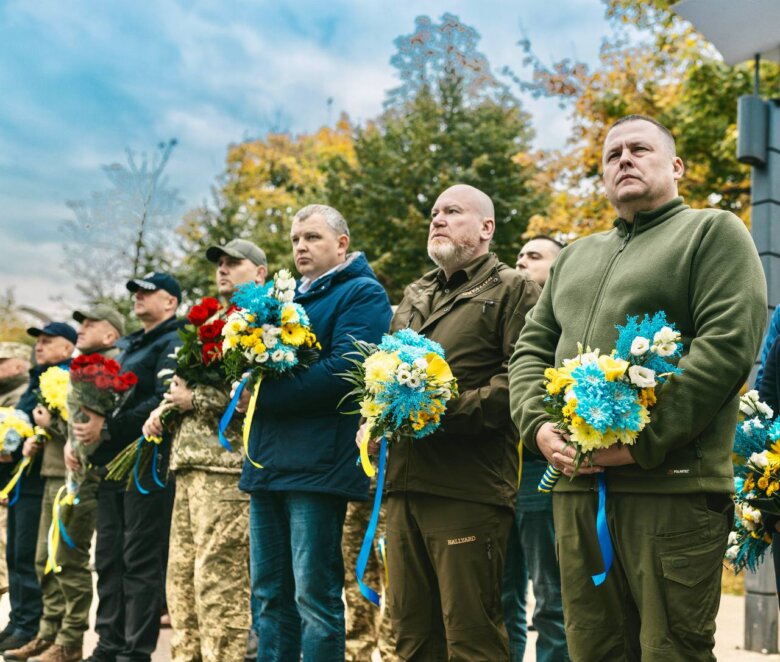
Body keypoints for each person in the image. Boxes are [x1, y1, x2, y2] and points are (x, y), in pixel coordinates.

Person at [508, 115, 766, 661]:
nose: (623, 159)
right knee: (592, 651)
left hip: (670, 489)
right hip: (577, 494)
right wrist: (538, 428)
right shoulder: (575, 255)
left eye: (639, 149)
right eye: (611, 154)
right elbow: (531, 349)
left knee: (670, 651)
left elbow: (726, 347)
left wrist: (640, 444)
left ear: (675, 166)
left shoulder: (713, 231)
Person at [376, 184, 539, 660]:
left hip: (468, 488)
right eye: (434, 212)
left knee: (471, 639)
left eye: (452, 211)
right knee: (410, 638)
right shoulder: (414, 294)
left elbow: (521, 382)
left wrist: (439, 411)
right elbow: (385, 376)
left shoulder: (514, 289)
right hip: (405, 485)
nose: (438, 219)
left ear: (486, 228)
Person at [238, 204, 392, 660]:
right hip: (267, 462)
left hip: (318, 465)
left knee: (314, 597)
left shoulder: (362, 294)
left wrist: (262, 395)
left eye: (312, 238)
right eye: (295, 240)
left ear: (341, 244)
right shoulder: (281, 302)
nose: (300, 247)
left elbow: (345, 372)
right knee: (268, 594)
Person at [143, 239, 267, 662]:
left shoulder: (265, 322)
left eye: (235, 262)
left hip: (227, 467)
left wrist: (194, 401)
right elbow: (186, 388)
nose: (224, 269)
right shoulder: (212, 320)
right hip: (190, 463)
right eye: (220, 263)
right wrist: (163, 411)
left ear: (261, 273)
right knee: (180, 577)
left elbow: (253, 400)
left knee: (220, 582)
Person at [72, 273, 181, 662]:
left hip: (146, 464)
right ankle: (109, 642)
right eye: (135, 291)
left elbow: (160, 398)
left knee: (139, 560)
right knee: (110, 559)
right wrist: (87, 437)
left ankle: (134, 651)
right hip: (113, 466)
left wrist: (109, 427)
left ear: (170, 302)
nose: (138, 297)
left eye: (148, 292)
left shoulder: (173, 341)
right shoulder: (131, 344)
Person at [6, 307, 124, 662]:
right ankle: (47, 632)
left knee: (67, 560)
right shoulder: (67, 374)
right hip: (52, 474)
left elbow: (86, 432)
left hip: (78, 478)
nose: (39, 347)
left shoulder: (101, 371)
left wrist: (51, 423)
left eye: (48, 341)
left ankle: (69, 640)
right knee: (45, 559)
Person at [502, 236, 568, 662]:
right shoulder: (504, 312)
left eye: (535, 255)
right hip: (496, 471)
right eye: (520, 253)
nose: (522, 259)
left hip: (542, 473)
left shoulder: (567, 319)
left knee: (551, 596)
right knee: (502, 594)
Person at [0, 324, 76, 656]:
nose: (40, 347)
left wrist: (37, 436)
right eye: (38, 342)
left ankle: (31, 624)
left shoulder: (65, 377)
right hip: (22, 476)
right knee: (16, 554)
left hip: (44, 478)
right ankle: (18, 621)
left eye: (48, 341)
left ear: (68, 347)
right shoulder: (38, 378)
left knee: (32, 556)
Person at [0, 343, 32, 605]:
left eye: (2, 362)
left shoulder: (21, 396)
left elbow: (12, 449)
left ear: (20, 365)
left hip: (9, 488)